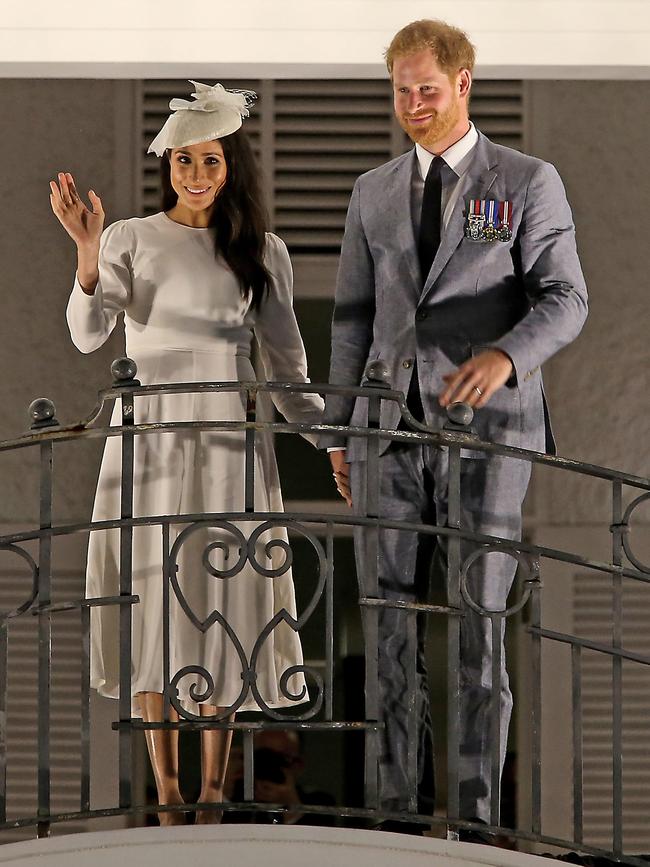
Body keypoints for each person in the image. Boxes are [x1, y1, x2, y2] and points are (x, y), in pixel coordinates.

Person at [322, 20, 587, 827]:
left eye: (426, 90)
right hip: (387, 428)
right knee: (388, 619)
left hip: (490, 428)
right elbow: (352, 317)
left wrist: (507, 357)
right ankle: (395, 812)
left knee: (478, 623)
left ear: (464, 83)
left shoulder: (528, 180)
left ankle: (475, 820)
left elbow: (566, 299)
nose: (412, 105)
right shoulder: (372, 190)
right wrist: (337, 431)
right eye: (400, 91)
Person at [50, 81, 324, 825]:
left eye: (209, 159)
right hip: (148, 443)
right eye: (182, 160)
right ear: (166, 165)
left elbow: (288, 369)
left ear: (230, 165)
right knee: (150, 601)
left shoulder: (261, 251)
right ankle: (165, 792)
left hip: (229, 444)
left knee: (222, 599)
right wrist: (84, 249)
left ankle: (211, 792)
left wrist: (328, 438)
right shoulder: (128, 238)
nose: (195, 173)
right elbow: (87, 333)